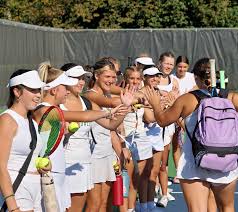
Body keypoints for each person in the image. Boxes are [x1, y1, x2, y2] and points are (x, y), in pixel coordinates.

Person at [144, 58, 238, 212]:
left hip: (194, 163)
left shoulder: (188, 99)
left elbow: (162, 121)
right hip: (226, 161)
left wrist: (155, 104)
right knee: (227, 207)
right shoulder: (231, 97)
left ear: (195, 77)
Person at [34, 62, 128, 212]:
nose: (80, 82)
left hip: (66, 168)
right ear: (54, 89)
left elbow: (105, 123)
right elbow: (83, 116)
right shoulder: (46, 109)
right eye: (66, 85)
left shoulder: (78, 104)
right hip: (50, 171)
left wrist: (123, 108)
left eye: (82, 78)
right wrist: (109, 112)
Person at [84, 58, 134, 212]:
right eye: (107, 76)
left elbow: (112, 129)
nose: (111, 80)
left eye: (114, 77)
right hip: (93, 156)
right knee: (94, 204)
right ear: (97, 76)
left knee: (106, 203)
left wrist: (120, 151)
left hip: (107, 154)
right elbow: (113, 104)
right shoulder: (90, 95)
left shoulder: (107, 95)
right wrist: (135, 100)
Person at [0, 69, 50, 212]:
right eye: (33, 90)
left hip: (36, 189)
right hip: (17, 189)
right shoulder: (7, 120)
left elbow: (33, 156)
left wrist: (43, 166)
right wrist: (13, 206)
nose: (39, 95)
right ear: (17, 92)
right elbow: (0, 166)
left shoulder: (32, 122)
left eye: (38, 90)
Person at [156, 51, 178, 207]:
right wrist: (164, 96)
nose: (169, 66)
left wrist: (169, 98)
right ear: (160, 63)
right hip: (152, 123)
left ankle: (163, 193)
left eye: (171, 64)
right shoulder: (153, 78)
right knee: (151, 162)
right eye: (166, 63)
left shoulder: (174, 80)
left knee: (163, 162)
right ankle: (154, 189)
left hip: (168, 124)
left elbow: (175, 100)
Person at [172, 56, 197, 184]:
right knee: (176, 145)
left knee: (191, 143)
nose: (182, 69)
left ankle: (192, 170)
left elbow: (197, 89)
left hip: (190, 115)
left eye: (184, 67)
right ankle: (178, 172)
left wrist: (191, 92)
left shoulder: (192, 77)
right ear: (176, 66)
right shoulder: (172, 78)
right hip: (175, 114)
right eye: (180, 66)